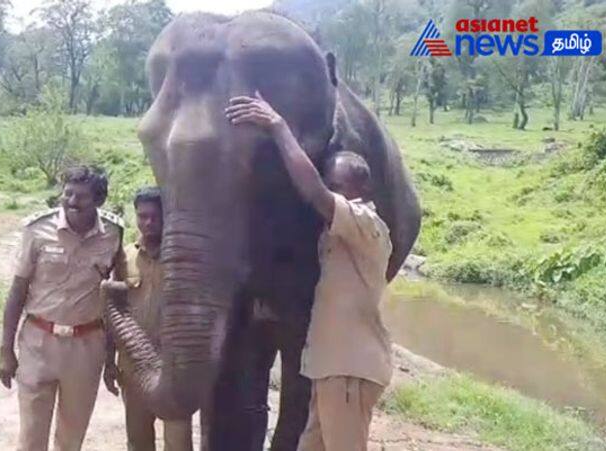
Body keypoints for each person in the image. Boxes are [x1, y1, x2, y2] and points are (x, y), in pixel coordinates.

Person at [226, 92, 392, 451]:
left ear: (362, 190)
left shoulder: (367, 224)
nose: (330, 193)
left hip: (349, 370)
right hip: (328, 368)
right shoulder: (336, 239)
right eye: (329, 184)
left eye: (337, 186)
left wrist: (278, 125)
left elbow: (314, 194)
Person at [0, 165, 125, 451]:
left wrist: (111, 358)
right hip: (38, 342)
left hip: (86, 346)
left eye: (82, 197)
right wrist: (5, 350)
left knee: (71, 437)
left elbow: (117, 300)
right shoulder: (37, 229)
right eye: (67, 194)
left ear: (99, 200)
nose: (72, 202)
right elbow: (17, 291)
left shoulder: (114, 234)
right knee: (31, 437)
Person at [104, 186, 194, 451]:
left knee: (179, 443)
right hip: (133, 367)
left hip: (175, 368)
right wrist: (109, 361)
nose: (148, 223)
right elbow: (112, 311)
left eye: (155, 216)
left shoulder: (185, 258)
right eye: (142, 216)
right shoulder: (124, 257)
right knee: (138, 441)